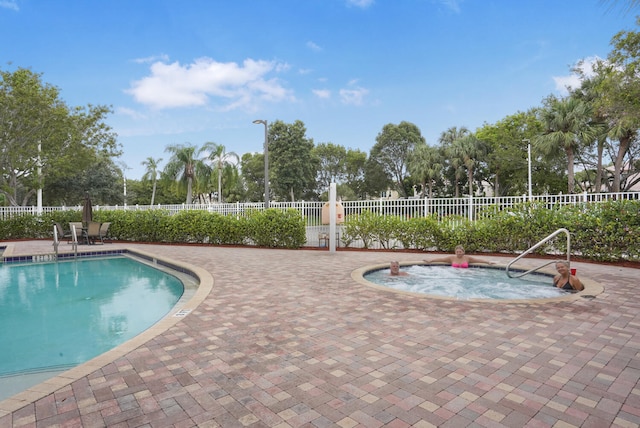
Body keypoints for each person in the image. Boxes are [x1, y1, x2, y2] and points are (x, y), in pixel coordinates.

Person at [424, 245, 493, 268]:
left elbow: (478, 260)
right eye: (457, 252)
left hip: (465, 274)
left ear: (463, 252)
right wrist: (431, 260)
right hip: (455, 274)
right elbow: (441, 259)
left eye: (460, 252)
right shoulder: (452, 258)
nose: (459, 253)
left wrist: (488, 262)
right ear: (455, 252)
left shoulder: (467, 258)